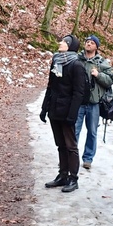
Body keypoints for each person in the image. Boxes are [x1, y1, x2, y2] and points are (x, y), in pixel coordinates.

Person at [39, 34, 88, 193]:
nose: (61, 43)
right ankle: (63, 175)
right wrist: (44, 108)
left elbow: (78, 93)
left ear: (72, 46)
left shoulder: (77, 65)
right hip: (54, 110)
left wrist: (72, 115)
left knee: (70, 146)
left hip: (67, 111)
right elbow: (50, 86)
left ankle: (73, 178)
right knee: (60, 144)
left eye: (65, 42)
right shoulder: (56, 61)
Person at [74, 35, 113, 169]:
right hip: (78, 102)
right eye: (87, 42)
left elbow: (111, 79)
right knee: (74, 130)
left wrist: (98, 75)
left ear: (97, 47)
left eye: (92, 43)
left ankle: (88, 159)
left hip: (94, 103)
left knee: (92, 132)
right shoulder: (77, 59)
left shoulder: (102, 62)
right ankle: (70, 156)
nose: (89, 44)